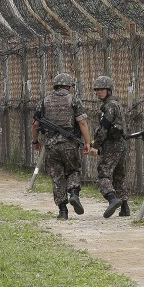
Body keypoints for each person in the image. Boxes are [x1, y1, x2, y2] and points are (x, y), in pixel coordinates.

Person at [31, 73, 92, 220]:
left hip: (51, 146)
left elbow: (35, 125)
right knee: (73, 171)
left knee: (57, 177)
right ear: (69, 86)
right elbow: (82, 122)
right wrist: (88, 142)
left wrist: (35, 142)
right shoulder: (74, 100)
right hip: (70, 144)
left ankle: (63, 211)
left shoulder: (44, 102)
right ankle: (74, 194)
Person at [92, 75, 129, 218]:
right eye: (97, 90)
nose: (98, 92)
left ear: (109, 90)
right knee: (119, 175)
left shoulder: (110, 105)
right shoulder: (115, 104)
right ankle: (124, 207)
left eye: (101, 89)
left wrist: (96, 145)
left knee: (103, 173)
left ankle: (112, 199)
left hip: (112, 144)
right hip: (120, 143)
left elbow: (104, 127)